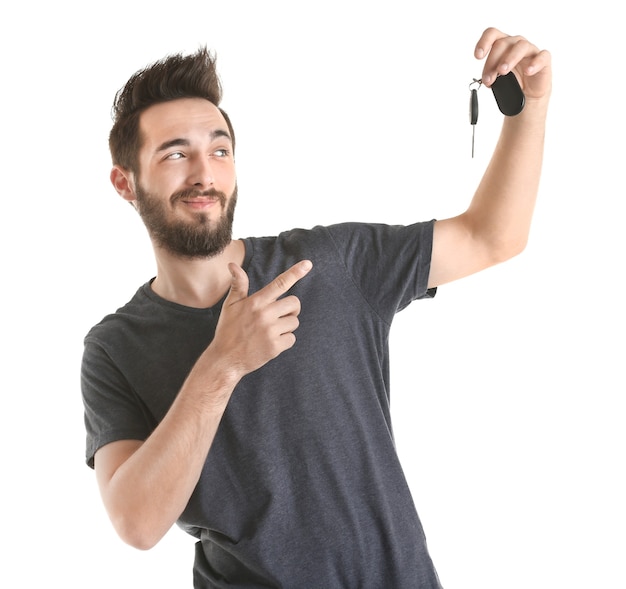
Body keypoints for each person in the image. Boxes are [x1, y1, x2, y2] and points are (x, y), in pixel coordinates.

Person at [81, 27, 551, 588]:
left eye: (219, 150)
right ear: (125, 182)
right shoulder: (114, 346)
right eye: (175, 153)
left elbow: (491, 236)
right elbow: (136, 522)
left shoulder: (329, 263)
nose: (205, 173)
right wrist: (222, 363)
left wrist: (531, 108)